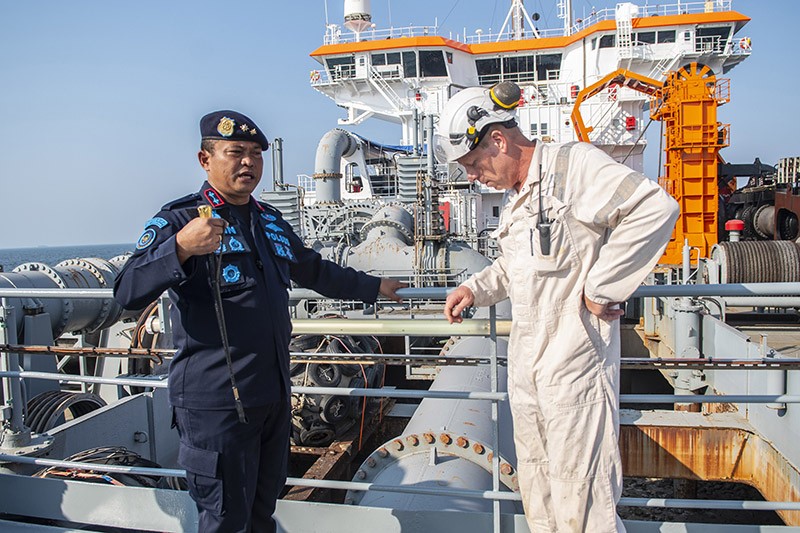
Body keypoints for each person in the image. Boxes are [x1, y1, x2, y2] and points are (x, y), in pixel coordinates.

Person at [114, 110, 404, 532]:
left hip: (271, 397)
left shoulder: (268, 221)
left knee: (262, 513)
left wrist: (375, 288)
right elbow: (126, 291)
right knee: (225, 519)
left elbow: (315, 270)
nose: (248, 163)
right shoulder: (181, 220)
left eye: (255, 154)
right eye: (235, 152)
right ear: (205, 159)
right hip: (215, 404)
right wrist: (179, 248)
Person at [435, 83, 679, 532]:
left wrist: (604, 287)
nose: (472, 176)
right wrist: (475, 287)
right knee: (540, 492)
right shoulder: (517, 200)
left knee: (583, 499)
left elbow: (655, 208)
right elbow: (517, 266)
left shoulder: (572, 167)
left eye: (472, 164)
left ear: (498, 141)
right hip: (528, 373)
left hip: (574, 370)